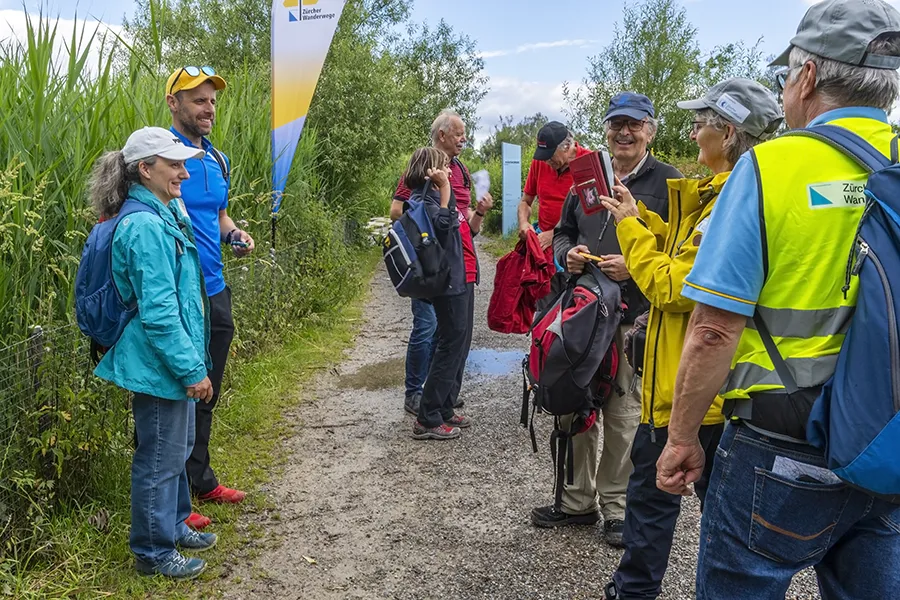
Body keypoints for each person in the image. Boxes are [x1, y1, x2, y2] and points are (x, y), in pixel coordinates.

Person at [656, 1, 900, 597]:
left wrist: (683, 437)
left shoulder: (773, 167)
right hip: (887, 439)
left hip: (783, 445)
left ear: (808, 77)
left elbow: (715, 328)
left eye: (789, 71)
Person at [599, 79, 783, 600]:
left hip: (694, 393)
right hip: (705, 389)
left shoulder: (730, 199)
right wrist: (643, 218)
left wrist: (632, 232)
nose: (692, 131)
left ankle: (633, 593)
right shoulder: (723, 191)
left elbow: (674, 286)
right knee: (700, 505)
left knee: (654, 500)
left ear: (727, 133)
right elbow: (687, 252)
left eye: (699, 123)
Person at [539, 99, 682, 548]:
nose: (624, 132)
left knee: (622, 414)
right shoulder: (584, 173)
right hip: (580, 311)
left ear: (650, 131)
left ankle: (616, 508)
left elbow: (679, 255)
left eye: (633, 125)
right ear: (606, 131)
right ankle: (576, 502)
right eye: (616, 124)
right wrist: (569, 256)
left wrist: (637, 265)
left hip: (632, 318)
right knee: (572, 402)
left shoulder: (670, 181)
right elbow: (562, 232)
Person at [90, 127, 217, 579]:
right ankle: (152, 551)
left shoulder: (162, 210)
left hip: (170, 357)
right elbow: (160, 314)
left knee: (177, 446)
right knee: (160, 456)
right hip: (157, 361)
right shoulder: (143, 226)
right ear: (146, 169)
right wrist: (191, 369)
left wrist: (193, 363)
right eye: (173, 164)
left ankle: (177, 522)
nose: (183, 171)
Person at [166, 66, 254, 521]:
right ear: (174, 104)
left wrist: (235, 233)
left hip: (215, 287)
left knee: (208, 388)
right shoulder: (157, 155)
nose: (209, 108)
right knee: (183, 387)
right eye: (198, 100)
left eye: (213, 101)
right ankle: (173, 498)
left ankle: (200, 479)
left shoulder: (217, 159)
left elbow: (219, 215)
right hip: (178, 293)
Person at [390, 109, 492, 416]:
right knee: (428, 327)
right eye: (459, 133)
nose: (464, 139)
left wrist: (479, 212)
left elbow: (466, 226)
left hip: (462, 265)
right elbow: (400, 211)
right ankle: (417, 394)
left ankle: (444, 396)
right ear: (442, 135)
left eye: (466, 133)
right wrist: (428, 229)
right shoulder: (425, 167)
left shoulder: (459, 170)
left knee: (455, 336)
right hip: (432, 267)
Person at [403, 148, 471, 440]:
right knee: (448, 345)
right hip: (447, 282)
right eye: (443, 165)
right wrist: (444, 189)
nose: (448, 169)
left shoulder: (429, 196)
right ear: (430, 169)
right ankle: (427, 418)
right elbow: (444, 227)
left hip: (455, 278)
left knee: (455, 343)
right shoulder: (422, 199)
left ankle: (442, 407)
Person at [517, 121, 591, 250]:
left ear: (567, 147)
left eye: (550, 156)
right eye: (543, 156)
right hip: (542, 238)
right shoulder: (539, 163)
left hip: (575, 244)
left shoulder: (589, 162)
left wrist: (555, 234)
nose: (546, 161)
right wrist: (524, 222)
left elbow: (595, 219)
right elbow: (526, 201)